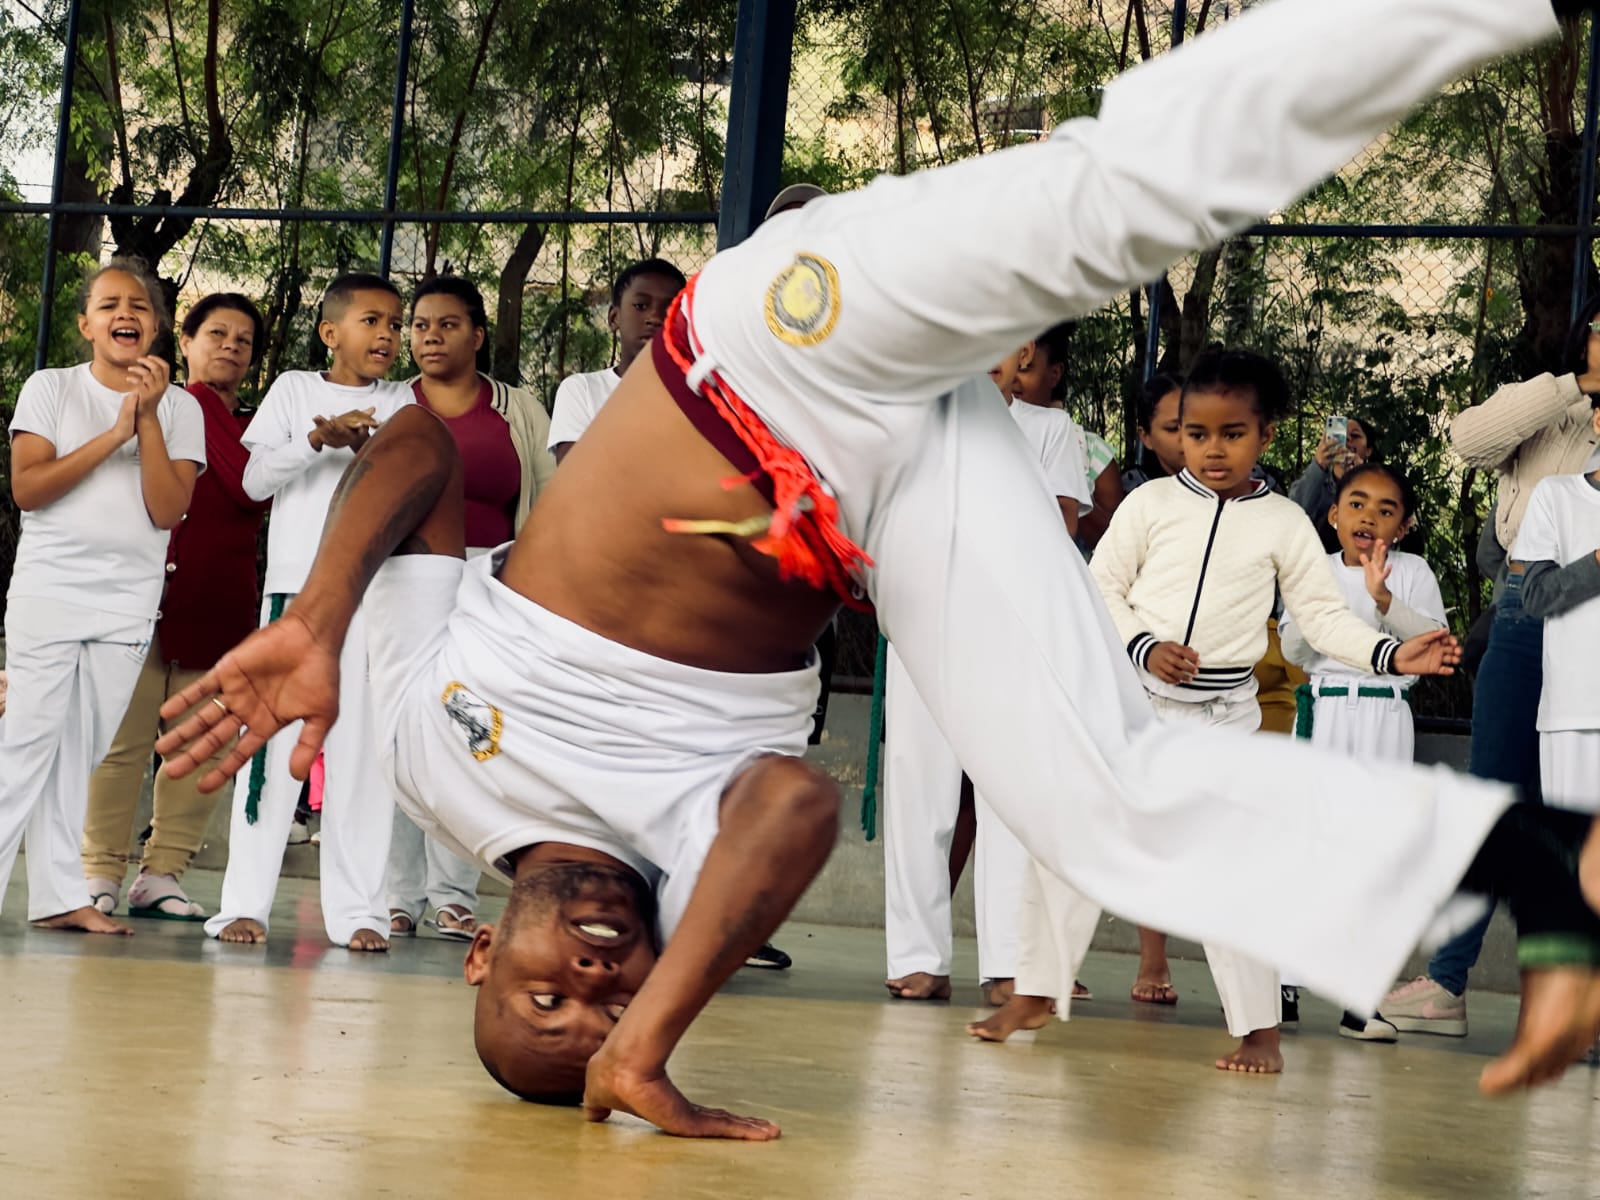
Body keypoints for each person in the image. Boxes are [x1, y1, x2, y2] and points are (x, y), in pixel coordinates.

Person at [158, 0, 1600, 1139]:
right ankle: (1537, 875)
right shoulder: (697, 861)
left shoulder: (436, 761)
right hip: (882, 515)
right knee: (1098, 801)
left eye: (547, 1001)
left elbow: (417, 444)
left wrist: (323, 623)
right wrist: (655, 1038)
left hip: (764, 361)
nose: (589, 983)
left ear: (481, 958)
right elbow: (793, 801)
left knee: (1114, 205)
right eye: (607, 1010)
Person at [970, 349, 1448, 1074]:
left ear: (1266, 435)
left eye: (1232, 434)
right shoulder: (1149, 505)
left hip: (1225, 722)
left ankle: (1260, 1033)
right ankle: (1035, 991)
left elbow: (1322, 618)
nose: (1212, 449)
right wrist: (1143, 646)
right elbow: (1100, 586)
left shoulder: (1284, 523)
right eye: (1196, 434)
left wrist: (1389, 653)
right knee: (1071, 837)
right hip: (1133, 710)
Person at [1384, 293, 1600, 1035]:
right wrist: (1577, 386)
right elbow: (1469, 439)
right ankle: (1447, 983)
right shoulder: (1549, 409)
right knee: (1492, 796)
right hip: (1527, 608)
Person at [202, 272, 413, 952]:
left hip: (373, 595)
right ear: (330, 332)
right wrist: (318, 440)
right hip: (295, 595)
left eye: (395, 324)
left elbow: (413, 483)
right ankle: (243, 906)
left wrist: (369, 445)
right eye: (372, 321)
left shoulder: (404, 401)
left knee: (362, 757)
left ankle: (359, 912)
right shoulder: (294, 389)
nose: (388, 334)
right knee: (268, 749)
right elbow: (254, 480)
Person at [0, 257, 205, 935]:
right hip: (50, 594)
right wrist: (114, 432)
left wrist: (146, 420)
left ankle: (59, 897)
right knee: (25, 744)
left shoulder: (181, 408)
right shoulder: (51, 388)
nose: (126, 314)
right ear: (87, 324)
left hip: (126, 604)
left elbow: (167, 509)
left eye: (140, 306)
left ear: (157, 326)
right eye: (110, 304)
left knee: (79, 756)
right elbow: (30, 489)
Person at [882, 345, 1091, 1004]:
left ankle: (1009, 963)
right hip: (922, 616)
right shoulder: (908, 421)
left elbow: (1061, 525)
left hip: (1010, 627)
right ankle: (917, 957)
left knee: (1009, 794)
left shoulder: (1048, 428)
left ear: (1025, 350)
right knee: (918, 788)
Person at [80, 293, 270, 921]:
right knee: (120, 744)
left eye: (243, 341)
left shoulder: (260, 431)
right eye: (217, 333)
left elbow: (252, 490)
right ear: (184, 342)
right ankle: (99, 872)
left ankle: (162, 874)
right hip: (140, 598)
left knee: (200, 749)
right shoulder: (150, 409)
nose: (231, 347)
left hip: (219, 605)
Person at [388, 275, 556, 940]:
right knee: (402, 730)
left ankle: (453, 893)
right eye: (420, 325)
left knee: (470, 731)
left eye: (448, 324)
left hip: (490, 588)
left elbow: (551, 499)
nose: (430, 336)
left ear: (478, 335)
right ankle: (396, 895)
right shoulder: (390, 406)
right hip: (402, 585)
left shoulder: (518, 409)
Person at [1279, 461, 1446, 1041]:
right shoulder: (1315, 569)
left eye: (1385, 508)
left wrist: (1383, 598)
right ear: (1333, 515)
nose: (1369, 516)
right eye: (1357, 504)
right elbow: (1295, 649)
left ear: (1403, 526)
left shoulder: (1414, 573)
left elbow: (1432, 642)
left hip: (1385, 711)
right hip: (1326, 707)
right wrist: (1320, 607)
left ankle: (1360, 998)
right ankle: (1285, 981)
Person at [1509, 397, 1600, 812]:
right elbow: (1536, 595)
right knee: (1574, 847)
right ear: (1597, 420)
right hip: (1575, 711)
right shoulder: (1556, 494)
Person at [547, 259, 687, 463]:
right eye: (641, 306)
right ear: (614, 318)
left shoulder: (697, 396)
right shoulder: (582, 390)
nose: (655, 317)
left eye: (670, 308)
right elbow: (575, 471)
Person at [1010, 324, 1125, 549]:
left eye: (1024, 367)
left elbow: (1114, 540)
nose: (1012, 378)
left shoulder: (1091, 452)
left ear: (1054, 374)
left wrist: (1074, 478)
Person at [1289, 415, 1377, 544]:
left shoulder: (1379, 486)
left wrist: (1361, 479)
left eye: (1355, 436)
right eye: (1341, 434)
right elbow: (1293, 516)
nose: (1347, 439)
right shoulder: (1316, 483)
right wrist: (1319, 464)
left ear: (1368, 450)